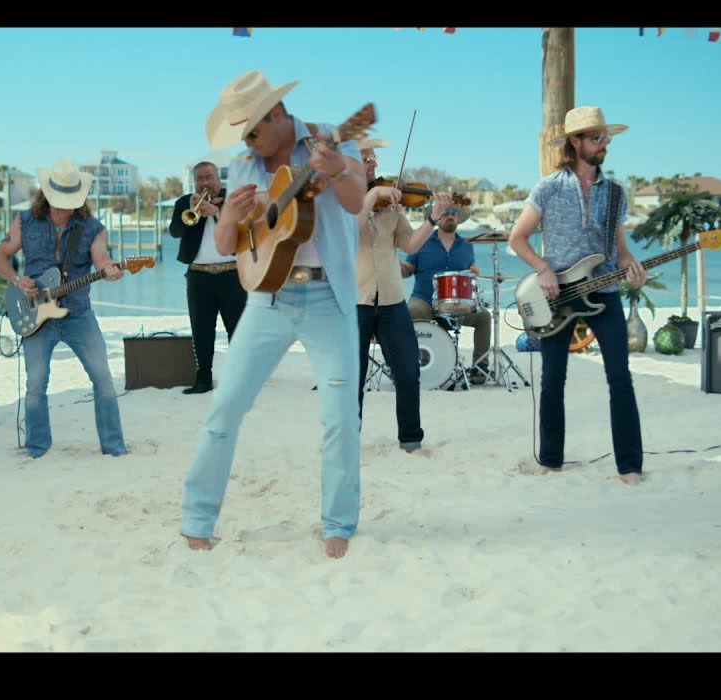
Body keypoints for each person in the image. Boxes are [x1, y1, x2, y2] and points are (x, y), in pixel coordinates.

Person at [180, 70, 366, 559]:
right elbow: (228, 245)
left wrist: (338, 169)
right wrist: (231, 217)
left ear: (278, 113)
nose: (246, 140)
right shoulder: (243, 165)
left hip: (329, 299)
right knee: (224, 409)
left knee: (341, 418)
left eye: (252, 130)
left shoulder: (330, 139)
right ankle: (197, 518)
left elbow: (354, 203)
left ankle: (338, 523)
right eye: (240, 133)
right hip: (266, 299)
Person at [507, 105, 648, 485]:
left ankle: (630, 467)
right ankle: (551, 461)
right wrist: (543, 268)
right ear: (575, 141)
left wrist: (632, 268)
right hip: (556, 296)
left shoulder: (616, 194)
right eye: (597, 138)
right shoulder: (549, 187)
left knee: (620, 378)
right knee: (553, 379)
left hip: (605, 293)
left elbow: (621, 249)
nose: (605, 144)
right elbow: (517, 239)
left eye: (606, 138)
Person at [0, 158, 129, 459]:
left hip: (79, 314)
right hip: (34, 314)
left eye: (70, 202)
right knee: (36, 384)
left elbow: (101, 260)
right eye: (60, 201)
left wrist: (110, 270)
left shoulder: (92, 228)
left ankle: (114, 448)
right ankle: (37, 449)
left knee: (103, 379)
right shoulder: (24, 221)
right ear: (47, 195)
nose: (65, 208)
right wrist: (16, 280)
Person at [354, 137, 438, 452]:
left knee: (408, 371)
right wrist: (371, 196)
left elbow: (410, 244)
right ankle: (347, 439)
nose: (373, 163)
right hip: (354, 300)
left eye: (374, 158)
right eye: (367, 158)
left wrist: (433, 217)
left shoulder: (389, 202)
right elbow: (348, 232)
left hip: (391, 299)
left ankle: (411, 439)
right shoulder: (339, 199)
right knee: (352, 377)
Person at [168, 161, 246, 394]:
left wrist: (218, 213)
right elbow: (175, 232)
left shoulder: (233, 199)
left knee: (237, 329)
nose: (205, 183)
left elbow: (246, 230)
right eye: (200, 179)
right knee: (201, 330)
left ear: (218, 177)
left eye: (209, 177)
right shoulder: (185, 202)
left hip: (232, 273)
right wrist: (193, 212)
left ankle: (239, 380)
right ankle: (203, 379)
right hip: (199, 275)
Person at [401, 194, 493, 385]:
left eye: (453, 213)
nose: (449, 215)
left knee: (484, 316)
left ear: (458, 218)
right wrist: (397, 267)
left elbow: (469, 272)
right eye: (445, 212)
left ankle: (480, 368)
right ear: (438, 217)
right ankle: (409, 366)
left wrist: (474, 272)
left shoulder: (467, 246)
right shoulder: (422, 240)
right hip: (424, 299)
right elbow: (408, 270)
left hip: (455, 303)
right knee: (412, 310)